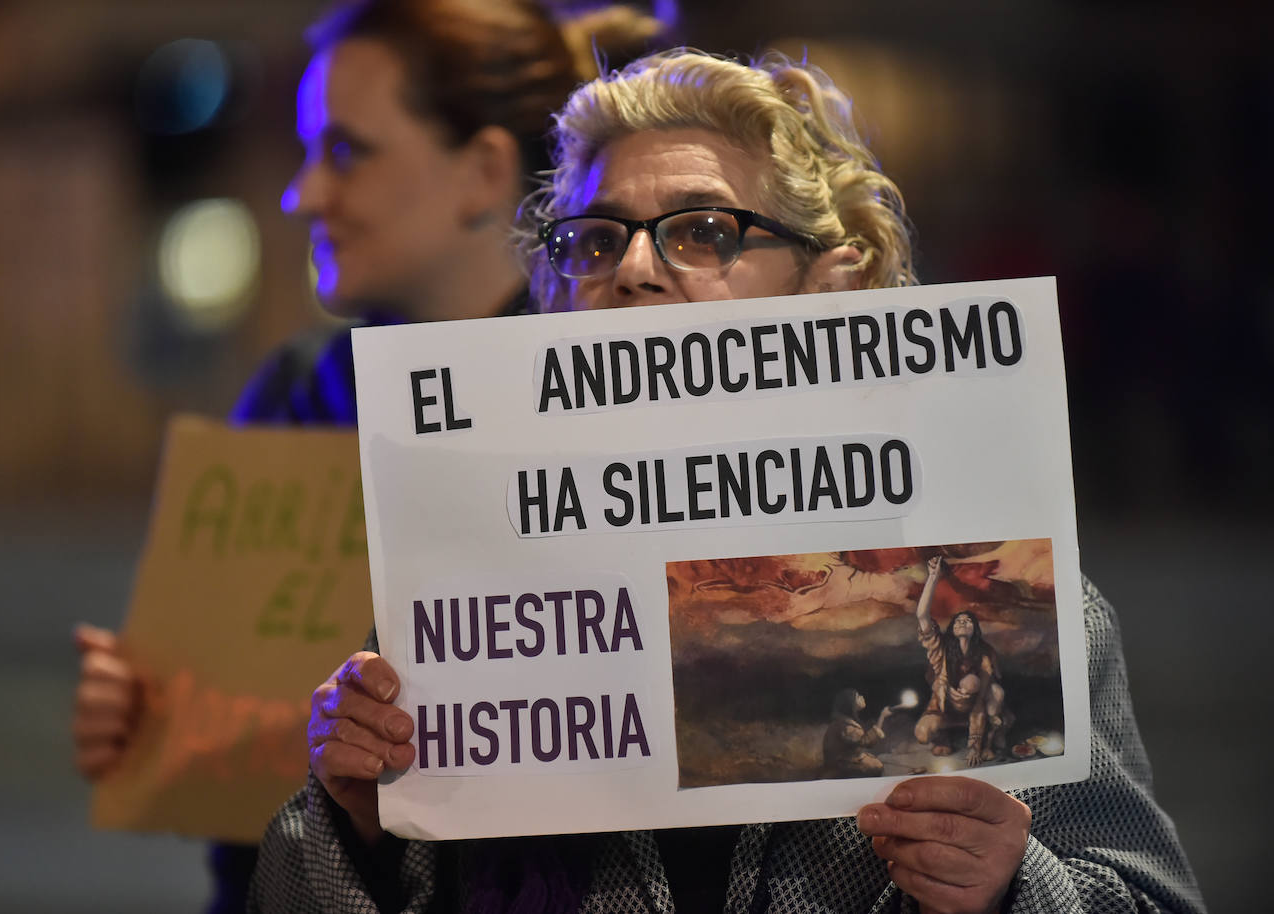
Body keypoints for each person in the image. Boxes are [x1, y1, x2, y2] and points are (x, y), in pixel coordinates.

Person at [250, 50, 1208, 913]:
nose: (631, 269)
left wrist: (1012, 886)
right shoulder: (461, 613)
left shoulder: (1008, 605)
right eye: (592, 240)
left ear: (830, 288)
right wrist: (352, 821)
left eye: (703, 231)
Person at [70, 2, 664, 911]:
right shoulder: (296, 393)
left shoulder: (610, 408)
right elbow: (241, 790)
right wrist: (155, 719)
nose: (300, 194)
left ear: (483, 171)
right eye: (307, 154)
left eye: (346, 152)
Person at [913, 554, 1012, 765]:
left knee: (996, 692)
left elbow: (979, 702)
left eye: (968, 620)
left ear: (975, 629)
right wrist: (932, 577)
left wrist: (975, 747)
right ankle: (944, 736)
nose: (962, 622)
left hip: (976, 708)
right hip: (946, 708)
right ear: (952, 628)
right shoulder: (942, 652)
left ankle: (992, 736)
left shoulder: (983, 654)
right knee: (922, 733)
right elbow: (922, 615)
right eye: (958, 620)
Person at [821, 688, 892, 779]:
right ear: (850, 703)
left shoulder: (843, 722)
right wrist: (882, 716)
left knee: (877, 761)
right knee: (877, 767)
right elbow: (866, 742)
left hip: (846, 760)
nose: (862, 697)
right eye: (858, 696)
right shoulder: (846, 726)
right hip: (842, 764)